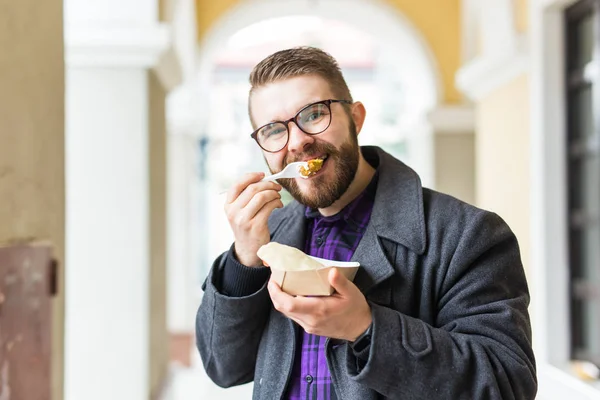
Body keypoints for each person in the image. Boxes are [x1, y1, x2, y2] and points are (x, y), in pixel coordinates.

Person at [196, 46, 537, 400]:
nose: (297, 141)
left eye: (314, 114)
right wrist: (244, 260)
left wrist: (367, 328)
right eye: (273, 130)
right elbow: (223, 367)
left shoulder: (468, 235)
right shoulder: (270, 234)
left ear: (355, 118)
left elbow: (505, 386)